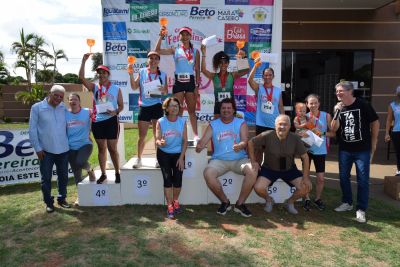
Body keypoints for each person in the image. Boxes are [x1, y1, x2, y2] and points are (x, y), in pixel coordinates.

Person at [195, 98, 258, 217]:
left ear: (233, 110)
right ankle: (225, 202)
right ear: (220, 110)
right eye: (223, 108)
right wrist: (199, 146)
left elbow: (245, 140)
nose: (226, 110)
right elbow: (203, 142)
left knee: (252, 171)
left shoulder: (241, 122)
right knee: (208, 173)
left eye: (229, 108)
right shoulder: (213, 124)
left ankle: (240, 204)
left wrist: (241, 145)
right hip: (219, 160)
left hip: (239, 159)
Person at [331, 81, 379, 223]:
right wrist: (337, 111)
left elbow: (375, 122)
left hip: (362, 150)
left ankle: (361, 209)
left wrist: (374, 142)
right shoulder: (338, 107)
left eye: (341, 91)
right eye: (337, 91)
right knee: (343, 177)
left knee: (363, 180)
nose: (338, 93)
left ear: (350, 91)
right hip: (345, 149)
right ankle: (347, 202)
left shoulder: (362, 104)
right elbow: (333, 128)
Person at [248, 114, 312, 215]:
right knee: (258, 187)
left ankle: (289, 202)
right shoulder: (267, 135)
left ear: (290, 126)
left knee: (306, 187)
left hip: (289, 169)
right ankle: (269, 200)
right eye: (280, 124)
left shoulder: (295, 138)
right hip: (269, 169)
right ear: (275, 125)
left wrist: (305, 177)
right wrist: (253, 161)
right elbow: (251, 142)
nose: (282, 127)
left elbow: (305, 157)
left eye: (285, 124)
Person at [79, 54, 123, 184]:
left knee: (112, 148)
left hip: (111, 121)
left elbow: (121, 106)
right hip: (97, 121)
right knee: (101, 149)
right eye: (99, 73)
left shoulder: (116, 88)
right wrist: (83, 61)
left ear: (108, 75)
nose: (102, 75)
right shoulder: (94, 87)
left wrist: (115, 111)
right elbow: (81, 77)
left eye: (104, 73)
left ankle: (117, 172)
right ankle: (103, 174)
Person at [29, 85, 71, 213]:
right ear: (49, 93)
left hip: (63, 149)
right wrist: (37, 148)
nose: (58, 98)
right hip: (45, 151)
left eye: (61, 97)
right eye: (56, 95)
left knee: (63, 176)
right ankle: (48, 202)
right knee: (46, 178)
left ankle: (62, 199)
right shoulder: (37, 108)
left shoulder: (63, 108)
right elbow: (32, 129)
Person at [155, 26, 200, 142]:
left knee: (191, 111)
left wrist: (197, 86)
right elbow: (157, 51)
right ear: (179, 37)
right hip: (178, 81)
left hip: (190, 81)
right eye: (182, 34)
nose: (184, 37)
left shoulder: (195, 51)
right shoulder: (175, 49)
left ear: (190, 36)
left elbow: (197, 69)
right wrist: (161, 36)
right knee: (178, 110)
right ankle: (178, 134)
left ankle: (195, 135)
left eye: (187, 34)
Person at [129, 51, 168, 168]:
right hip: (144, 106)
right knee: (142, 135)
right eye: (151, 58)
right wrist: (131, 74)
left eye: (156, 58)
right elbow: (134, 87)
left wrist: (162, 89)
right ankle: (139, 159)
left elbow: (165, 91)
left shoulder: (163, 74)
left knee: (157, 135)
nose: (153, 60)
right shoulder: (141, 72)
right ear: (148, 60)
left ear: (159, 61)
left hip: (157, 106)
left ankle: (158, 159)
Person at [155, 97, 188, 219]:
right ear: (166, 108)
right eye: (172, 105)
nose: (175, 108)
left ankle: (175, 201)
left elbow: (185, 141)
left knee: (178, 179)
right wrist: (161, 142)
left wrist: (181, 157)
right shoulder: (161, 121)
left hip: (178, 154)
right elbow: (157, 140)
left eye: (176, 106)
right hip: (164, 154)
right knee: (168, 179)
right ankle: (169, 205)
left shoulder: (182, 121)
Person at [302, 94, 335, 211]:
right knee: (305, 176)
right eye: (310, 103)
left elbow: (333, 133)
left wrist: (323, 134)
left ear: (319, 103)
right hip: (306, 150)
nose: (313, 105)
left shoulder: (326, 116)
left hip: (320, 151)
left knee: (320, 178)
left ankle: (317, 198)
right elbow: (299, 133)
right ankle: (306, 198)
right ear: (307, 104)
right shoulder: (304, 116)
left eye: (315, 103)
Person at [248, 64, 284, 164]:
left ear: (273, 76)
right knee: (259, 149)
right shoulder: (259, 88)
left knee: (272, 150)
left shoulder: (277, 90)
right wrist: (255, 66)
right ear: (263, 76)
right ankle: (258, 170)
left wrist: (284, 120)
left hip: (274, 124)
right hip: (261, 124)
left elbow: (280, 106)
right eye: (265, 75)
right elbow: (249, 80)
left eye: (270, 75)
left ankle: (270, 170)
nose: (267, 77)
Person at [200, 45, 248, 118]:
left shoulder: (233, 75)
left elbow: (245, 71)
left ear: (228, 63)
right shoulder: (214, 76)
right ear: (218, 64)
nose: (223, 64)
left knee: (231, 127)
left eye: (225, 62)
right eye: (221, 62)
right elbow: (203, 70)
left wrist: (243, 58)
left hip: (230, 106)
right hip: (218, 106)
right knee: (217, 127)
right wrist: (203, 54)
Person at [66, 93, 96, 205]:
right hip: (70, 147)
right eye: (70, 99)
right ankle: (80, 197)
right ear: (68, 102)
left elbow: (100, 114)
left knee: (80, 161)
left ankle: (89, 170)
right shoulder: (64, 114)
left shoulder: (88, 111)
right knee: (76, 173)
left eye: (75, 99)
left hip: (85, 144)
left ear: (79, 101)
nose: (73, 101)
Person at [384, 85, 400, 176]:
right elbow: (389, 120)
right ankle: (399, 170)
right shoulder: (392, 105)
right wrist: (387, 133)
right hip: (396, 131)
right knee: (398, 152)